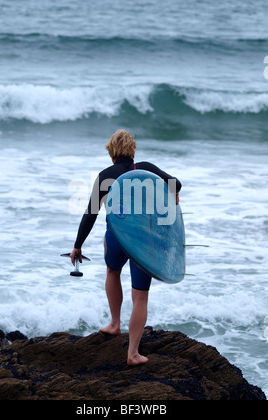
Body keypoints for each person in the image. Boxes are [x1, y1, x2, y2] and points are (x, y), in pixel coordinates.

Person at [70, 129, 182, 366]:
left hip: (115, 239)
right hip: (143, 242)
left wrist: (77, 246)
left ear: (111, 154)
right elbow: (177, 183)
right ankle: (132, 353)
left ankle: (114, 324)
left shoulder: (105, 176)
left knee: (112, 272)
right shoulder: (146, 169)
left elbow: (90, 213)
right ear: (133, 152)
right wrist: (173, 194)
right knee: (140, 297)